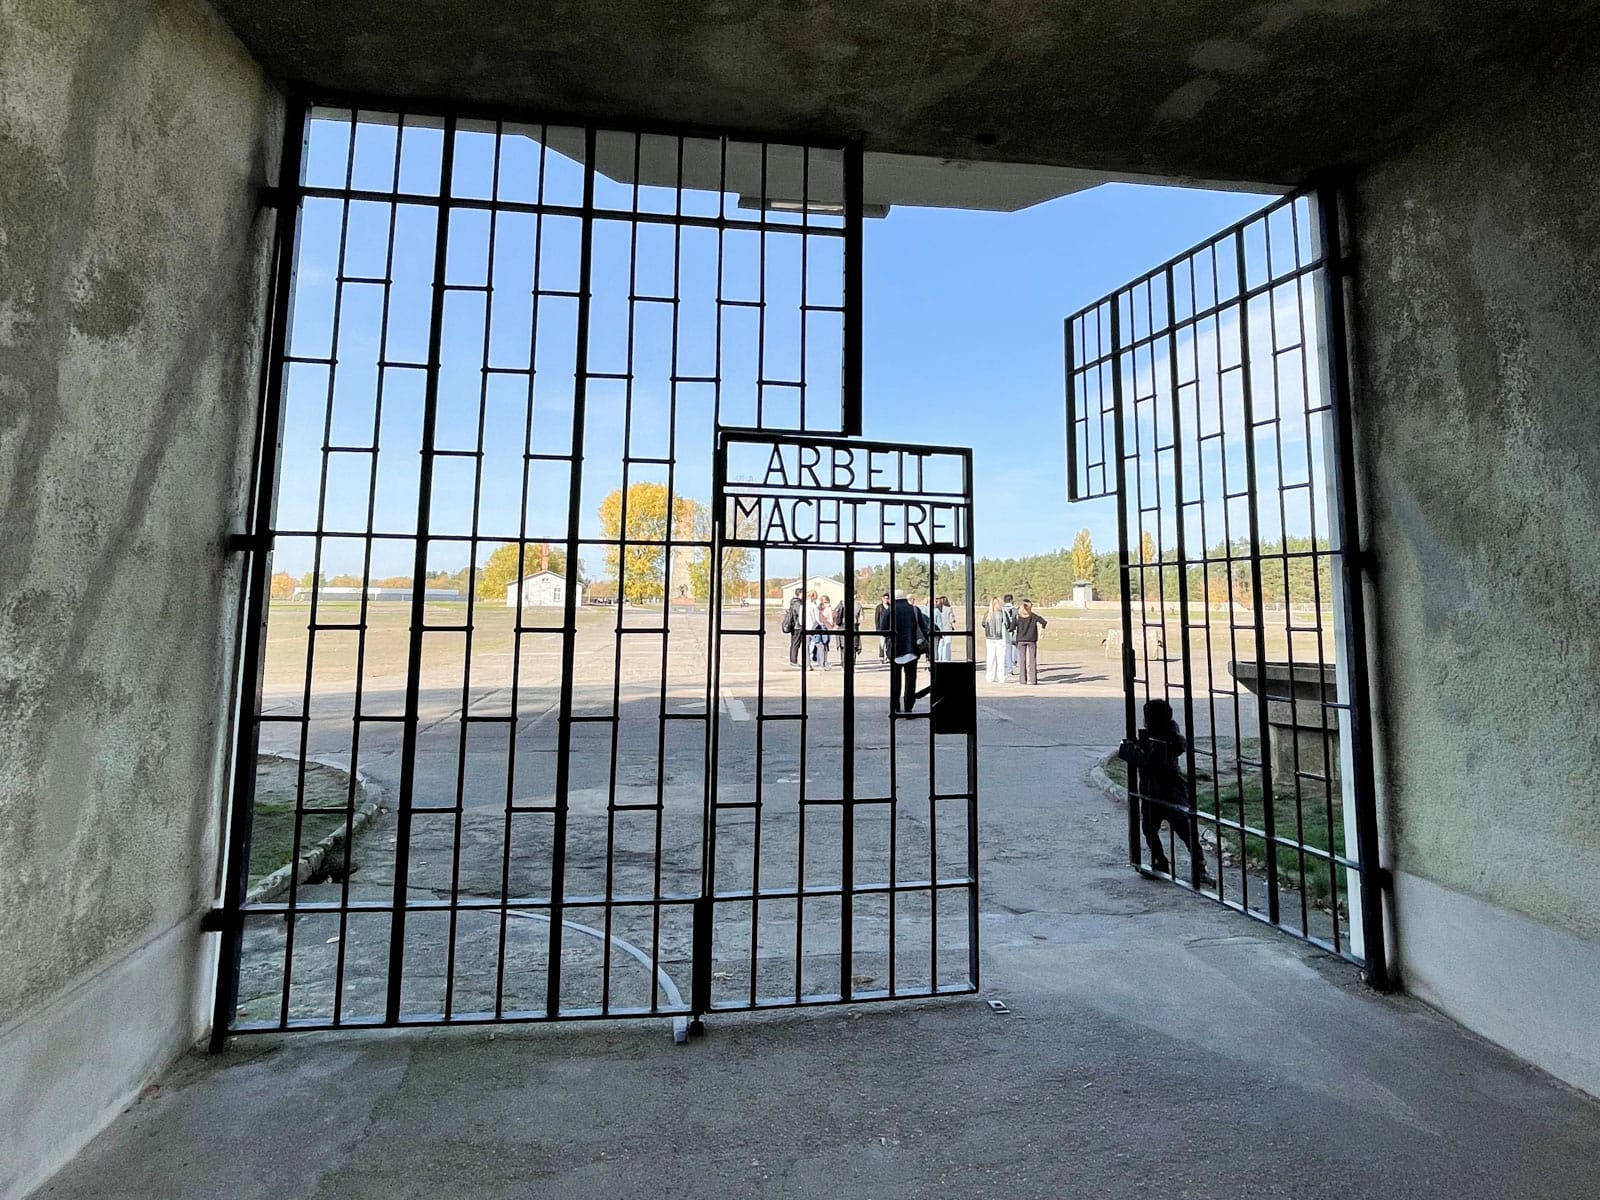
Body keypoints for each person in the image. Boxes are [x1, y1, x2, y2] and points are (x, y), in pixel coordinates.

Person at [1117, 698, 1214, 886]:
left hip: (1163, 792)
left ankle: (1195, 866)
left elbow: (1149, 762)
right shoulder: (1163, 736)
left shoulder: (1164, 740)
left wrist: (1126, 749)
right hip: (1159, 791)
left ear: (1151, 720)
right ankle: (1163, 862)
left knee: (1184, 831)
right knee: (1153, 829)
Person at [877, 589, 929, 713]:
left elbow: (883, 629)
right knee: (910, 679)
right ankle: (908, 706)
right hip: (912, 649)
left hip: (895, 650)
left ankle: (895, 706)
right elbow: (924, 628)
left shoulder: (890, 610)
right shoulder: (914, 610)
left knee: (895, 680)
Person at [1012, 598, 1047, 685]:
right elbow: (1044, 622)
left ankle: (1023, 680)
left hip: (1021, 639)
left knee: (1022, 660)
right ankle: (1033, 680)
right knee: (1032, 660)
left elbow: (1011, 627)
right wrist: (1042, 628)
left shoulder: (1017, 616)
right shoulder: (1034, 616)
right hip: (1032, 639)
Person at [981, 596, 1009, 683]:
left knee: (990, 658)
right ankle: (1001, 677)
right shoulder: (1002, 613)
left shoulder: (988, 613)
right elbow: (1008, 624)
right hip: (1000, 638)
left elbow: (983, 624)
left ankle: (990, 677)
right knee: (1001, 659)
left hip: (989, 638)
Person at [783, 587, 806, 667]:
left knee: (795, 643)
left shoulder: (794, 602)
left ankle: (793, 660)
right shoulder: (797, 603)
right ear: (800, 594)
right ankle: (793, 661)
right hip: (797, 626)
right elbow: (799, 614)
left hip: (795, 625)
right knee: (795, 643)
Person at [813, 593, 834, 670]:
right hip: (826, 627)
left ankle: (820, 662)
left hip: (818, 627)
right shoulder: (829, 608)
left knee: (819, 645)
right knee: (825, 646)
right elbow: (831, 619)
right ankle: (824, 662)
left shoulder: (818, 608)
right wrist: (832, 626)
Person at [932, 595, 955, 662]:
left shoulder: (935, 609)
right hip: (947, 629)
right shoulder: (949, 609)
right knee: (947, 645)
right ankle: (946, 659)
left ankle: (939, 659)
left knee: (940, 646)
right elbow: (951, 619)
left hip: (939, 629)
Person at [1001, 593, 1019, 677]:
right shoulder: (1015, 610)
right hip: (1014, 630)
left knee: (1007, 649)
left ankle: (1009, 669)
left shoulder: (1002, 610)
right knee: (1015, 646)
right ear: (1011, 600)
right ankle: (1016, 661)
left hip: (1005, 631)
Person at [875, 593, 892, 663]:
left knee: (889, 643)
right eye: (885, 598)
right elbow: (876, 618)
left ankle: (888, 657)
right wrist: (877, 628)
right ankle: (881, 656)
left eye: (887, 598)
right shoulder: (879, 607)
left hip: (889, 628)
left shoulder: (890, 607)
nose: (886, 599)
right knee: (882, 643)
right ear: (882, 599)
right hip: (882, 628)